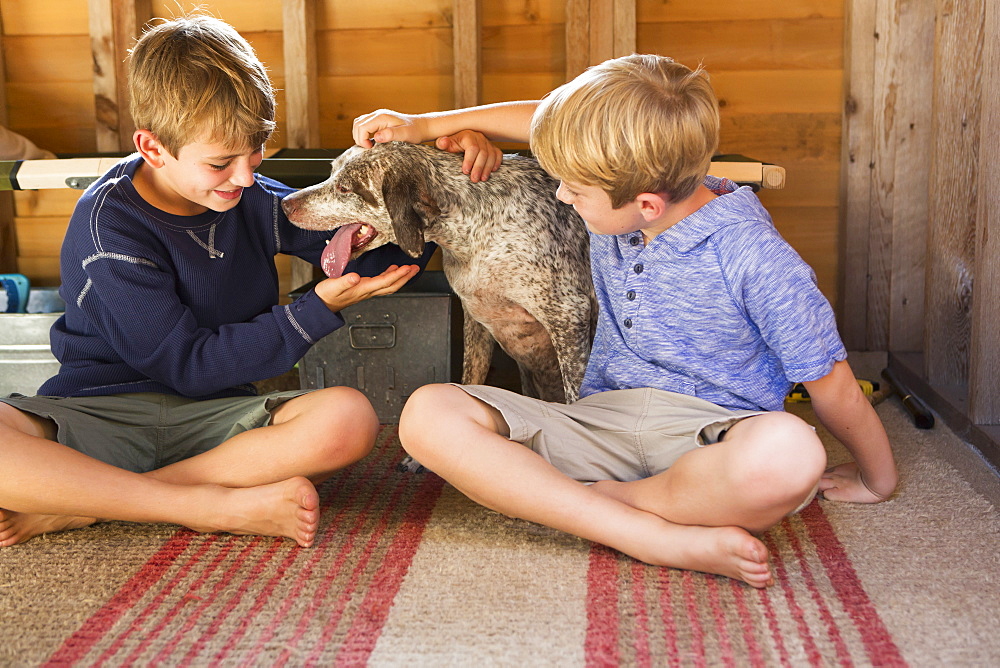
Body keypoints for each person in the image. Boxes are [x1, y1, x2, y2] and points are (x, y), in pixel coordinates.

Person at [351, 54, 899, 587]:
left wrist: (879, 479)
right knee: (427, 413)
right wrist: (432, 124)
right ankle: (648, 533)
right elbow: (552, 118)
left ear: (647, 205)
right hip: (598, 422)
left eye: (575, 190)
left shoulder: (759, 259)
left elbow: (835, 385)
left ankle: (603, 509)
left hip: (709, 440)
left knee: (793, 453)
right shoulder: (626, 190)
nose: (561, 194)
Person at [0, 14, 442, 548]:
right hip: (99, 412)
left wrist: (433, 181)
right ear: (153, 148)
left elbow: (397, 255)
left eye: (255, 150)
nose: (246, 176)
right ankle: (202, 503)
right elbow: (184, 366)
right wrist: (312, 311)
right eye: (220, 162)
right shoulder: (107, 227)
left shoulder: (244, 196)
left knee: (348, 419)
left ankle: (90, 504)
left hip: (220, 424)